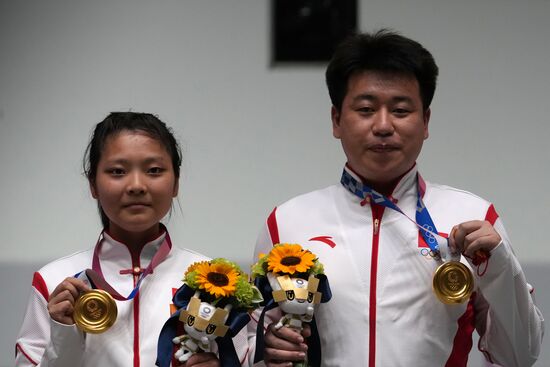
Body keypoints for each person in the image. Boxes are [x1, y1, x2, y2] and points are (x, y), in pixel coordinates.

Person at [250, 30, 544, 367]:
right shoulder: (287, 223)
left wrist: (501, 266)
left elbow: (520, 355)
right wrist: (267, 350)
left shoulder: (475, 218)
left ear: (426, 121)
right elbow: (251, 349)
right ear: (336, 120)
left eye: (401, 110)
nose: (384, 125)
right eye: (365, 109)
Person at [15, 112, 251, 366]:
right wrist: (62, 332)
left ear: (175, 183)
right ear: (93, 183)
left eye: (154, 170)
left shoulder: (220, 282)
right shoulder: (53, 282)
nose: (137, 185)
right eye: (117, 171)